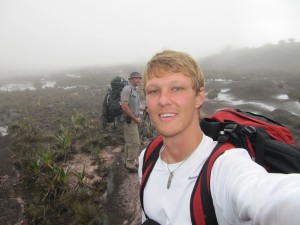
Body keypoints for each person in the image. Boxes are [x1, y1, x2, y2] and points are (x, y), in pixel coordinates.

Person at [138, 50, 300, 225]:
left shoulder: (224, 166)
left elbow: (272, 197)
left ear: (199, 97)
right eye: (154, 91)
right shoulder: (147, 157)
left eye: (176, 89)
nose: (163, 100)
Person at [121, 71, 143, 172]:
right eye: (136, 78)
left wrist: (146, 109)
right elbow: (124, 106)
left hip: (133, 121)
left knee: (129, 142)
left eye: (139, 78)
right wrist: (135, 119)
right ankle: (130, 164)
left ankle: (126, 161)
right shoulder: (127, 89)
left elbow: (136, 106)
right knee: (135, 143)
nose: (139, 80)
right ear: (131, 79)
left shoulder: (135, 91)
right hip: (130, 121)